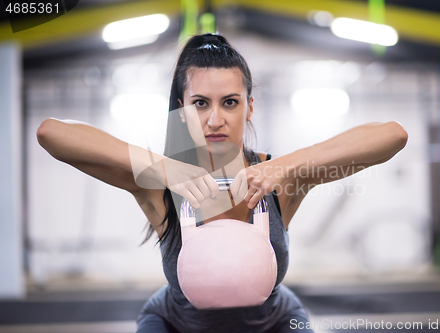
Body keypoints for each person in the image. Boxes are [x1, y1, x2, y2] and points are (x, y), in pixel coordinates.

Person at [37, 33, 408, 333]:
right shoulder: (158, 185)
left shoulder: (279, 180)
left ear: (249, 106)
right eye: (200, 103)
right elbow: (51, 133)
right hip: (173, 324)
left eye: (229, 102)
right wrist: (164, 168)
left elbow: (392, 135)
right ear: (182, 109)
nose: (215, 119)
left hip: (277, 322)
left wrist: (286, 165)